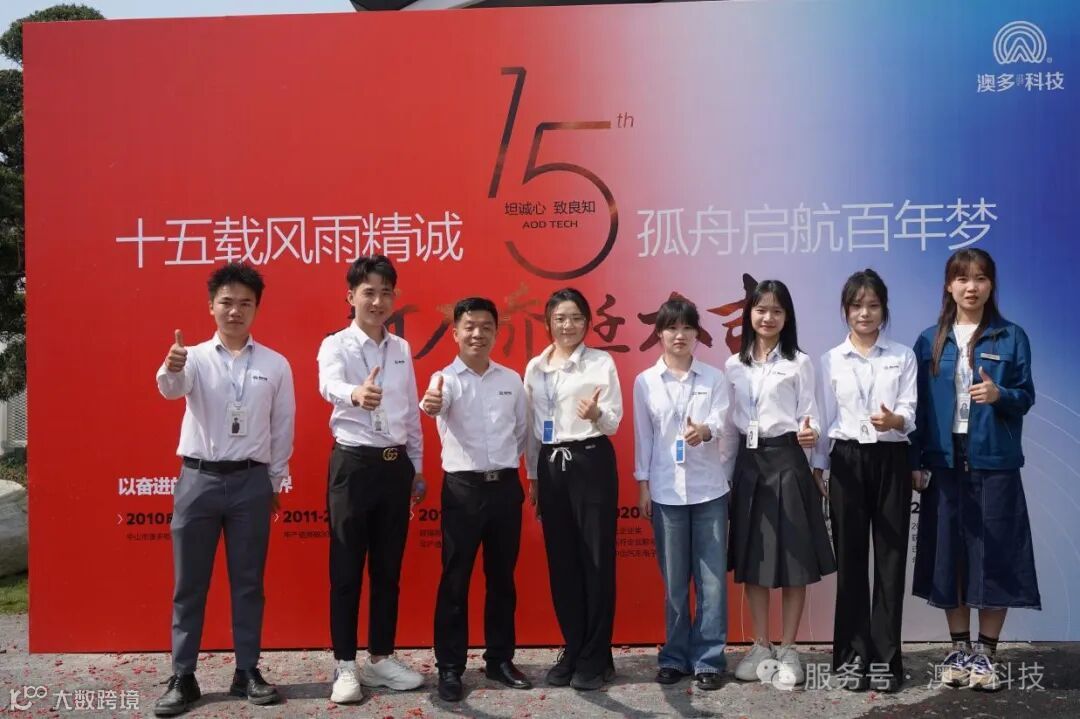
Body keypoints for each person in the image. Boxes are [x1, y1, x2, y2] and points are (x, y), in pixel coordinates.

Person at [153, 263, 295, 717]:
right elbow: (171, 389)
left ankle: (247, 671)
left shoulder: (275, 364)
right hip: (199, 479)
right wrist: (171, 366)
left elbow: (282, 427)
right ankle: (183, 676)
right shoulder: (192, 357)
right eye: (226, 302)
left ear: (257, 309)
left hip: (252, 481)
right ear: (211, 306)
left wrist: (274, 480)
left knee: (249, 583)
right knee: (189, 584)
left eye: (245, 303)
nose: (235, 311)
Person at [910, 248, 1040, 692]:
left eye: (980, 278)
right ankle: (959, 650)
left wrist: (1001, 395)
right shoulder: (930, 340)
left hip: (994, 461)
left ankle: (987, 655)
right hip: (945, 461)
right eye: (962, 278)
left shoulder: (1011, 336)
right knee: (950, 556)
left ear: (991, 285)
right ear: (949, 286)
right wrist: (916, 461)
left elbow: (1026, 396)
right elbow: (919, 408)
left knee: (995, 556)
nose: (971, 287)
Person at [317, 255, 426, 704]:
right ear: (351, 296)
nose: (377, 301)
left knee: (387, 569)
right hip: (353, 465)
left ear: (394, 298)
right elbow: (327, 384)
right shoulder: (336, 345)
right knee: (346, 569)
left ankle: (380, 658)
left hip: (394, 466)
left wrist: (416, 466)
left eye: (385, 293)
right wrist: (355, 394)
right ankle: (345, 664)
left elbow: (410, 410)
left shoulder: (400, 348)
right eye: (368, 292)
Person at [721, 279, 835, 687]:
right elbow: (729, 429)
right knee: (753, 561)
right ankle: (760, 645)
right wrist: (725, 479)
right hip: (748, 466)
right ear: (749, 314)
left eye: (776, 311)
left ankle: (788, 648)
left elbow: (813, 416)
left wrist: (811, 437)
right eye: (761, 310)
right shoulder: (733, 366)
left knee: (792, 561)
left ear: (787, 317)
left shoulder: (800, 362)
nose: (767, 318)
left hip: (788, 462)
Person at [420, 297, 532, 702]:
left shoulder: (511, 380)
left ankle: (500, 660)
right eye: (469, 326)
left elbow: (521, 432)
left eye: (486, 327)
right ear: (455, 333)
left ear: (496, 333)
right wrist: (431, 404)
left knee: (502, 579)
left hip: (504, 488)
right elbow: (434, 404)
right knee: (455, 579)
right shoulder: (444, 380)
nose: (477, 334)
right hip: (463, 491)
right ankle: (450, 667)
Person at [811, 269, 916, 692]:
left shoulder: (902, 356)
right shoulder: (830, 360)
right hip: (847, 459)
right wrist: (820, 465)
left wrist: (896, 421)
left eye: (873, 305)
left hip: (891, 458)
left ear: (884, 310)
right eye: (857, 306)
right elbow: (824, 417)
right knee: (852, 563)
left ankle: (887, 662)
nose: (865, 313)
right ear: (846, 310)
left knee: (891, 562)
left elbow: (910, 410)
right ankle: (852, 659)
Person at [524, 287, 623, 691]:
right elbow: (532, 429)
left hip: (591, 462)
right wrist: (533, 477)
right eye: (560, 318)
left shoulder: (600, 362)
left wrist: (597, 413)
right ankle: (574, 645)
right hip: (551, 466)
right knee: (562, 562)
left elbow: (614, 423)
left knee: (596, 561)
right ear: (549, 323)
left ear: (587, 322)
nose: (568, 325)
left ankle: (596, 656)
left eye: (577, 318)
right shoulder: (536, 368)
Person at [633, 299, 731, 691]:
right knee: (674, 582)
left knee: (712, 583)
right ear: (659, 333)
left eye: (687, 328)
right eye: (672, 328)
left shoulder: (714, 377)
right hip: (666, 493)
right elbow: (644, 437)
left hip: (709, 491)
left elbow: (722, 421)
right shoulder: (645, 382)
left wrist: (705, 430)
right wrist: (643, 485)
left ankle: (709, 659)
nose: (680, 335)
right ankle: (674, 656)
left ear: (696, 334)